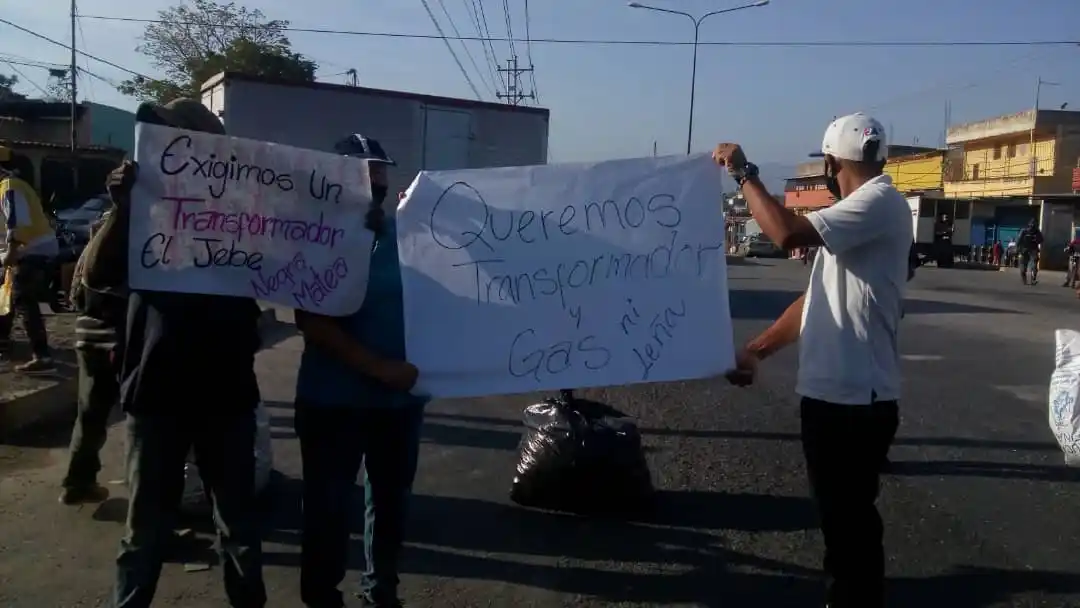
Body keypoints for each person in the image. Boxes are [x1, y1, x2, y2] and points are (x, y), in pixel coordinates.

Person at [714, 112, 911, 608]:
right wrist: (758, 350)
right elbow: (814, 301)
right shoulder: (855, 217)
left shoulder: (877, 201)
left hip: (855, 401)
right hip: (833, 397)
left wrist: (744, 174)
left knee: (849, 529)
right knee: (839, 522)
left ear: (829, 163)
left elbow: (786, 235)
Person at [104, 98, 266, 608]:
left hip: (226, 392)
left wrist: (356, 231)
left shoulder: (246, 208)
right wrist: (121, 209)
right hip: (157, 390)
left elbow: (307, 254)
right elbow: (95, 276)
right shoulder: (140, 204)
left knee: (237, 525)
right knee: (146, 527)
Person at [293, 134, 425, 608]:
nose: (375, 179)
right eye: (363, 169)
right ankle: (322, 597)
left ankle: (380, 592)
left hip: (398, 404)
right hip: (333, 403)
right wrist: (377, 367)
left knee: (390, 504)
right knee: (328, 508)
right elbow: (310, 321)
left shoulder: (403, 235)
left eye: (381, 169)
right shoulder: (316, 234)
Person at [59, 212, 126, 505]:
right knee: (148, 422)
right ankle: (150, 513)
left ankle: (78, 482)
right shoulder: (143, 228)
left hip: (88, 335)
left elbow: (74, 288)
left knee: (90, 414)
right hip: (124, 338)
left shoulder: (103, 223)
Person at [0, 148, 58, 373]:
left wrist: (11, 252)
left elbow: (17, 222)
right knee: (8, 296)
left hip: (31, 250)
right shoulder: (13, 185)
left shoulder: (9, 188)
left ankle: (42, 358)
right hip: (30, 250)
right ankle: (4, 341)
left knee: (23, 299)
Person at [1017, 219, 1043, 285]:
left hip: (1032, 250)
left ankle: (1032, 279)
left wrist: (1036, 239)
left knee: (1034, 265)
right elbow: (1018, 241)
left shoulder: (1037, 232)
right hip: (1025, 250)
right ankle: (1025, 280)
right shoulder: (1024, 231)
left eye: (1033, 225)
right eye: (1031, 225)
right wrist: (1018, 249)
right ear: (1028, 225)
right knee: (1023, 266)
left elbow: (1041, 240)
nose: (1032, 227)